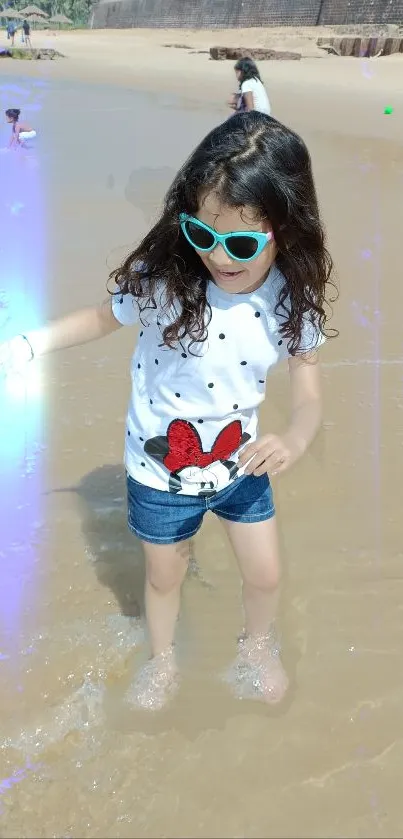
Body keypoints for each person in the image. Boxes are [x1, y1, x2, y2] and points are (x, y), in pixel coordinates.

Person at [0, 112, 335, 711]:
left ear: (284, 230)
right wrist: (28, 344)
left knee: (265, 575)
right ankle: (161, 662)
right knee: (164, 577)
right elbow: (102, 318)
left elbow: (308, 396)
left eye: (238, 243)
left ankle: (257, 647)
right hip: (159, 471)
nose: (216, 256)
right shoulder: (167, 281)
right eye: (200, 234)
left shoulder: (291, 299)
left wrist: (295, 438)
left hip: (241, 465)